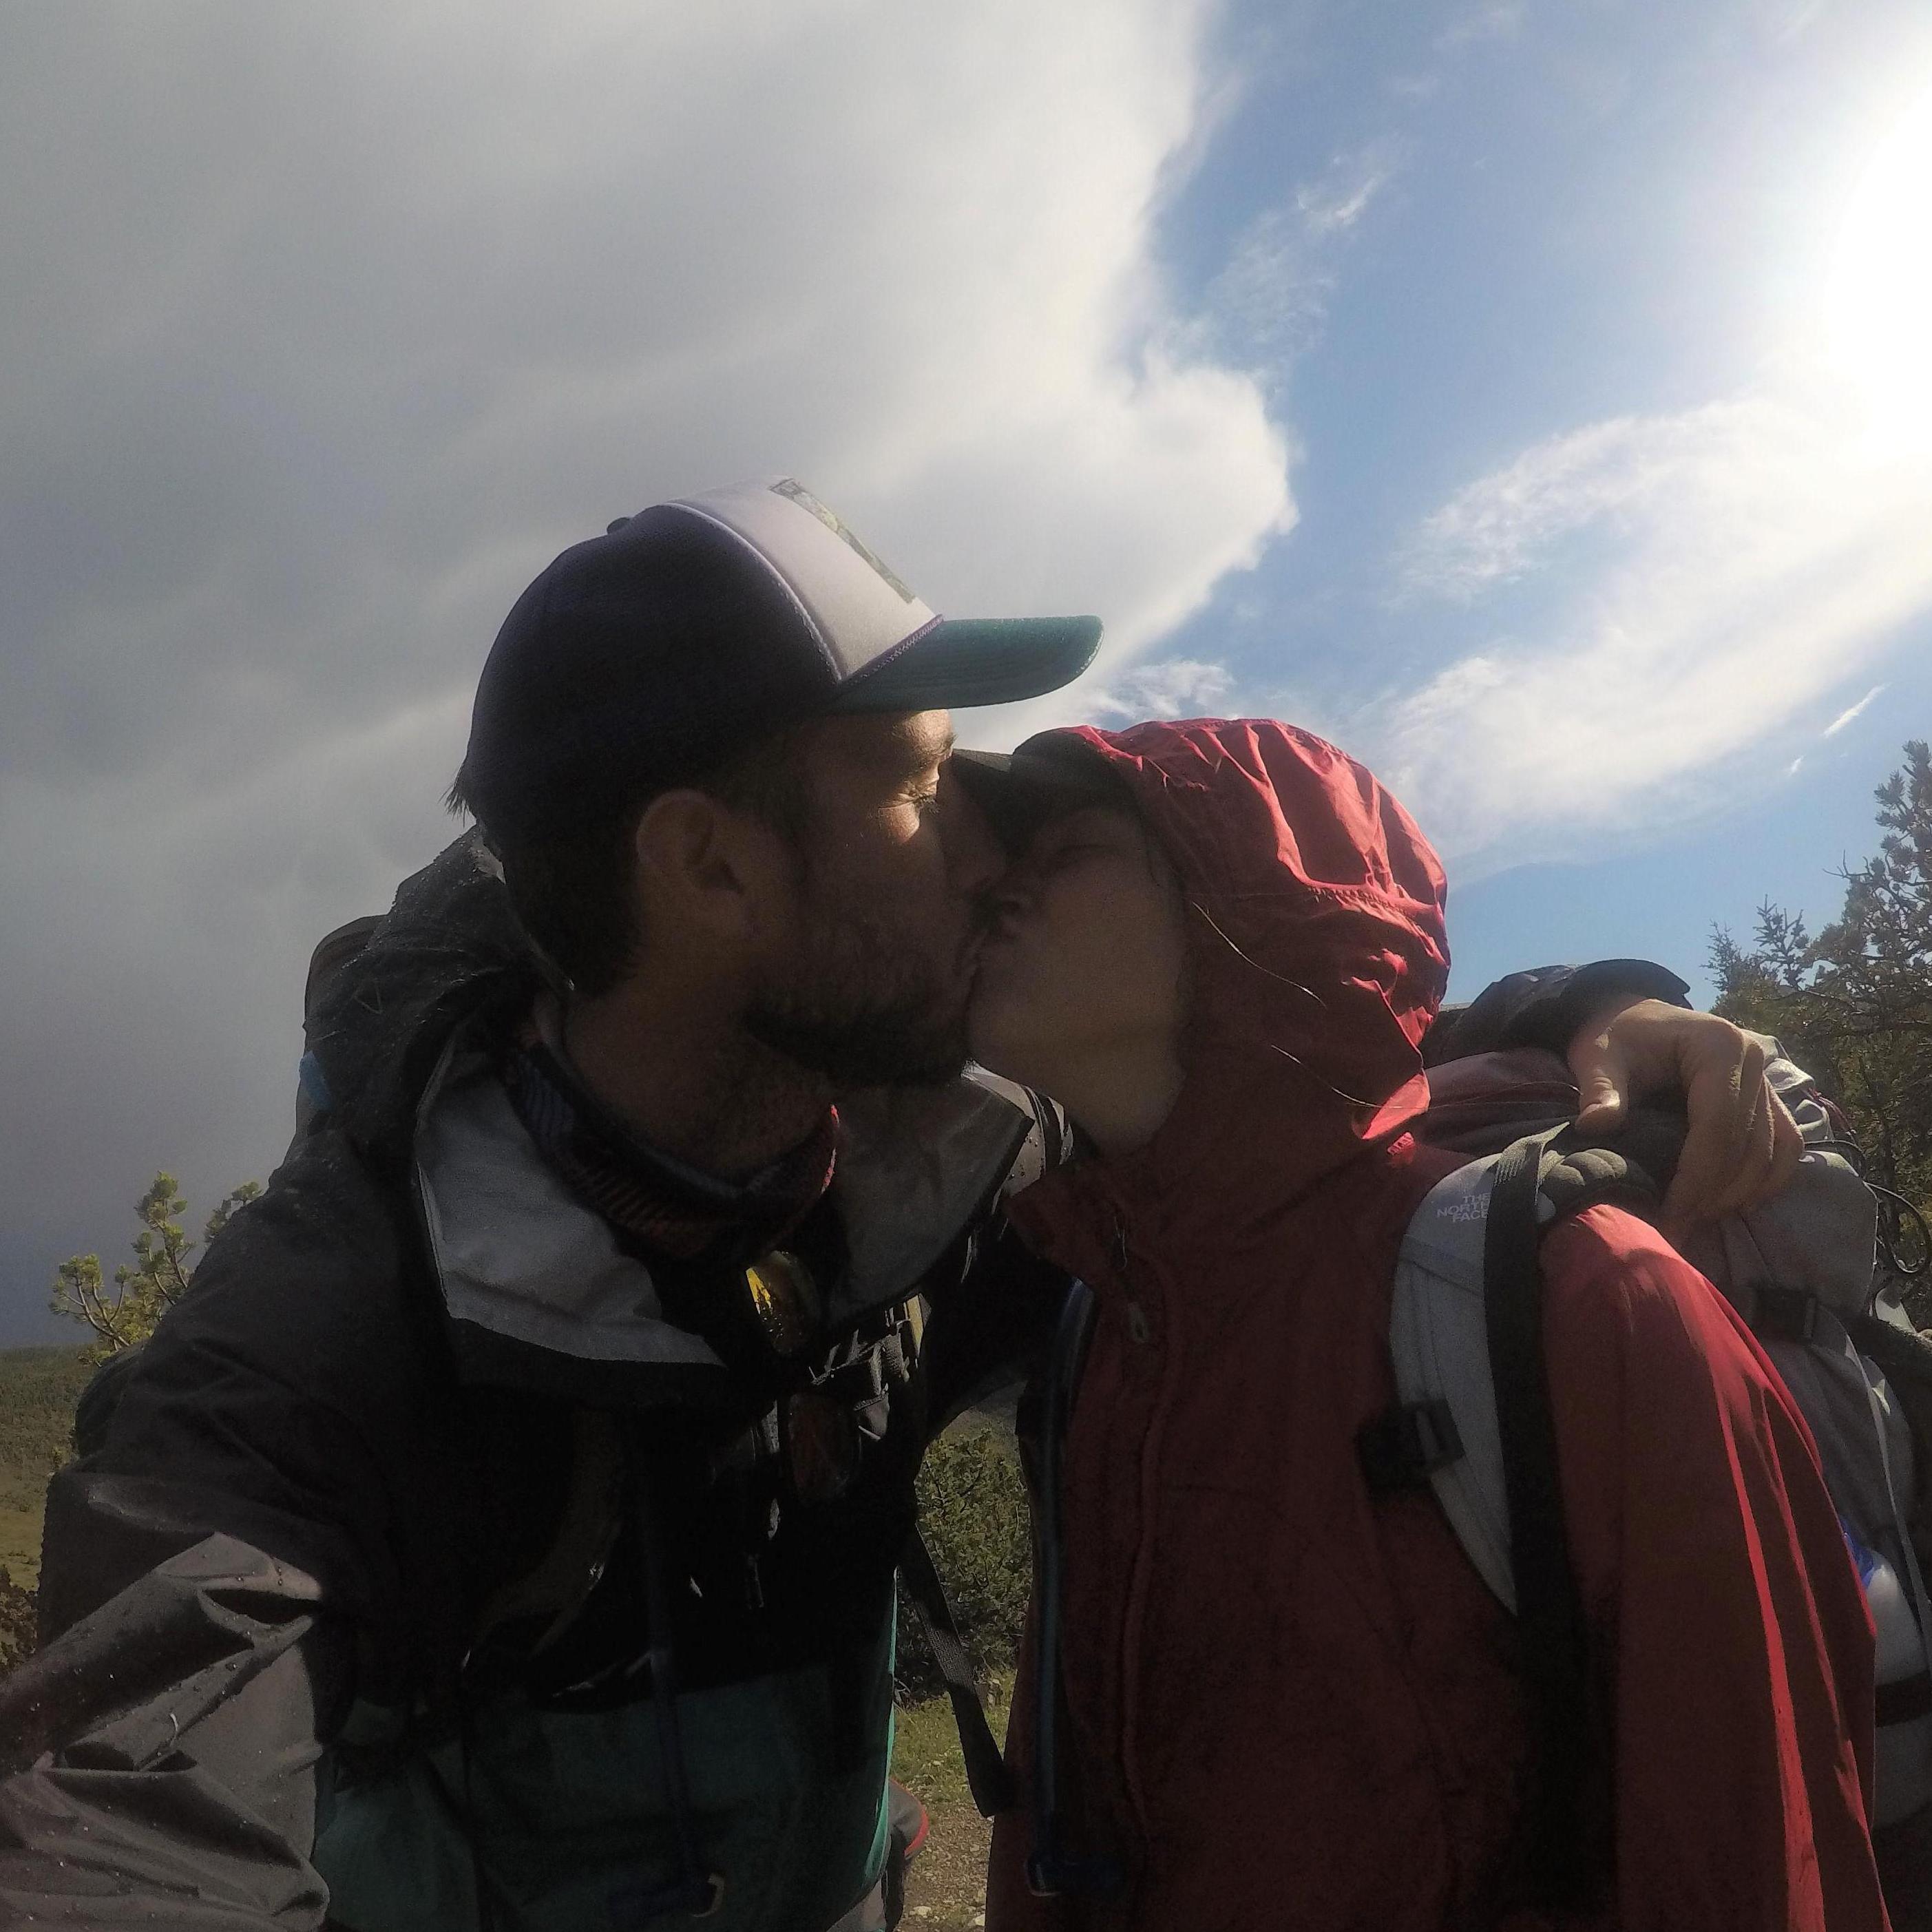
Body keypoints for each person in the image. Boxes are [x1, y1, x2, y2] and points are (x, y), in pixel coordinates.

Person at [0, 481, 1800, 1932]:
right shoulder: (331, 1327)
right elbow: (135, 1765)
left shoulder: (967, 1166)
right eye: (926, 780)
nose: (983, 843)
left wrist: (1589, 1014)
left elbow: (1268, 1092)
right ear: (709, 862)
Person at [967, 718, 1887, 1931]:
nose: (1000, 887)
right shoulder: (1102, 1317)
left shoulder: (1583, 1301)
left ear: (1250, 911)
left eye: (1073, 846)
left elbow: (1748, 1859)